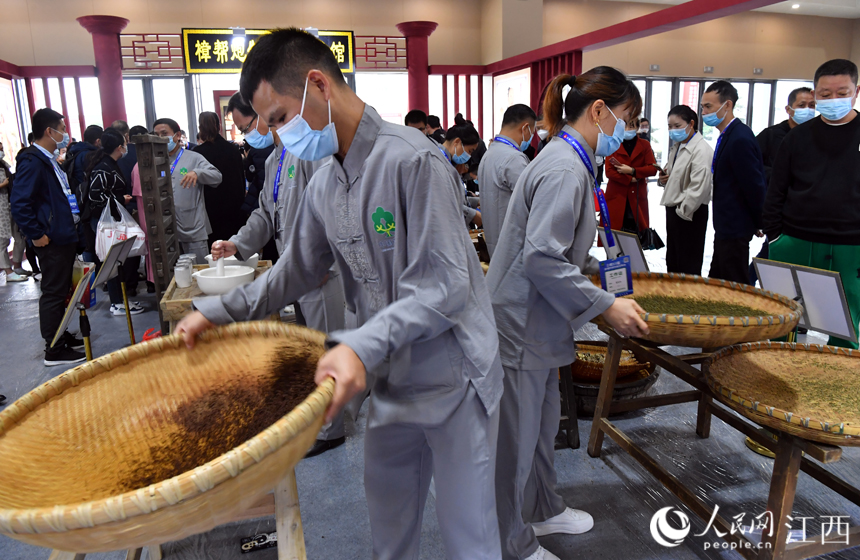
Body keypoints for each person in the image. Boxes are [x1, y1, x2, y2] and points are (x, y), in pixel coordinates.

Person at [175, 27, 504, 560]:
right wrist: (217, 312)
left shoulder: (411, 160)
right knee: (389, 535)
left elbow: (443, 287)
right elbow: (295, 269)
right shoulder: (327, 181)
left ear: (317, 85)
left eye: (280, 118)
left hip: (454, 381)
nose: (279, 136)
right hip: (389, 381)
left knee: (471, 538)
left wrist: (356, 345)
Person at [487, 68, 649, 560]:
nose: (630, 130)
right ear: (599, 111)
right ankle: (509, 539)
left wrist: (599, 267)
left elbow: (558, 247)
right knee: (515, 440)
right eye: (629, 118)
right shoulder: (563, 167)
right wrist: (606, 307)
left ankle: (541, 506)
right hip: (520, 322)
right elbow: (540, 258)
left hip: (536, 319)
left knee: (539, 424)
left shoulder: (569, 160)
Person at [213, 98, 348, 457]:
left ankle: (333, 428)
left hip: (319, 272)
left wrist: (323, 260)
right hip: (296, 270)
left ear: (264, 118)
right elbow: (263, 214)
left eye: (247, 127)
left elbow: (332, 206)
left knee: (326, 347)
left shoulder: (307, 154)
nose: (247, 135)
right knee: (308, 351)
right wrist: (237, 245)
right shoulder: (275, 160)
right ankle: (315, 415)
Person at [764, 59, 860, 350]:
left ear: (856, 91)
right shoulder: (797, 136)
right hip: (794, 238)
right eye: (825, 95)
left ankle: (840, 384)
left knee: (845, 323)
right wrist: (775, 236)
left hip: (851, 244)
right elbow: (776, 188)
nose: (833, 100)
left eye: (842, 93)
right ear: (815, 94)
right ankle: (777, 367)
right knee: (782, 316)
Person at [11, 108, 86, 366]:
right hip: (51, 238)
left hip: (63, 234)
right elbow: (20, 203)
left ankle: (60, 335)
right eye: (62, 129)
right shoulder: (32, 160)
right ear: (49, 131)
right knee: (53, 291)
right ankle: (53, 350)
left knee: (62, 288)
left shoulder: (50, 159)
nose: (65, 134)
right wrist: (36, 233)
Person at [749, 87, 817, 285]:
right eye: (802, 105)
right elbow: (753, 168)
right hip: (778, 210)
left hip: (807, 211)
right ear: (789, 109)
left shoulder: (817, 135)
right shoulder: (772, 136)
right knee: (772, 251)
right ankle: (749, 283)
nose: (807, 109)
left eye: (812, 105)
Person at [701, 80, 766, 285]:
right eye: (702, 106)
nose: (703, 112)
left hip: (736, 224)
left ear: (727, 105)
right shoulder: (727, 135)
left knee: (734, 283)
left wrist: (760, 221)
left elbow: (753, 185)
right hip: (726, 224)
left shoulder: (739, 138)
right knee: (718, 280)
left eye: (708, 106)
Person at [83, 128, 143, 317]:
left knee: (118, 261)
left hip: (112, 219)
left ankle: (120, 300)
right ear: (119, 147)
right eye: (124, 143)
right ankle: (117, 303)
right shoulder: (103, 167)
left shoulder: (110, 164)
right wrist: (121, 198)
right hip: (105, 222)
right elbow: (96, 198)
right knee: (113, 263)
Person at [153, 117, 222, 263]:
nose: (160, 138)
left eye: (164, 134)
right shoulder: (154, 162)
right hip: (166, 227)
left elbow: (217, 176)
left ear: (177, 135)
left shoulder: (193, 158)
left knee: (199, 271)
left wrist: (198, 173)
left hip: (192, 226)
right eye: (156, 135)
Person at [658, 105, 713, 275]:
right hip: (675, 210)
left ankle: (687, 297)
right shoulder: (678, 147)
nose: (672, 130)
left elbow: (699, 186)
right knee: (673, 259)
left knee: (688, 261)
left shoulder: (701, 149)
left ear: (691, 124)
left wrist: (683, 212)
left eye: (677, 126)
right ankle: (672, 295)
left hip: (690, 213)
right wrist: (664, 179)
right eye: (670, 126)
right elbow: (675, 175)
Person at [478, 103, 536, 258]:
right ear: (525, 128)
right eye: (532, 132)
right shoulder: (514, 159)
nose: (531, 138)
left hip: (495, 242)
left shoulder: (490, 153)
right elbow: (533, 201)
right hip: (513, 247)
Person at [193, 111, 247, 248]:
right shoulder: (233, 150)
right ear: (219, 126)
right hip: (234, 208)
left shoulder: (198, 153)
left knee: (216, 251)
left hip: (210, 211)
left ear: (200, 128)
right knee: (234, 248)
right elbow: (241, 179)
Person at [604, 117, 658, 236]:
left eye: (632, 126)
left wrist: (633, 170)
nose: (628, 129)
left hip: (637, 196)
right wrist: (630, 179)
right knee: (614, 235)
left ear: (637, 127)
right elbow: (609, 171)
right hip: (617, 195)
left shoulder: (644, 145)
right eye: (625, 126)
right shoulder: (613, 144)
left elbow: (653, 169)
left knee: (636, 234)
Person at [440, 123, 483, 227]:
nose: (468, 156)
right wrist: (473, 215)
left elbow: (456, 198)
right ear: (457, 142)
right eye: (469, 151)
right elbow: (443, 202)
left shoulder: (448, 162)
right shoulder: (437, 162)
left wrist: (475, 201)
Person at [0, 142, 28, 282]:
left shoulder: (4, 164)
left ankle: (17, 265)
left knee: (19, 236)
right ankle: (8, 271)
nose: (2, 151)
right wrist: (2, 185)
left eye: (2, 148)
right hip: (1, 208)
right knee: (3, 240)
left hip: (10, 204)